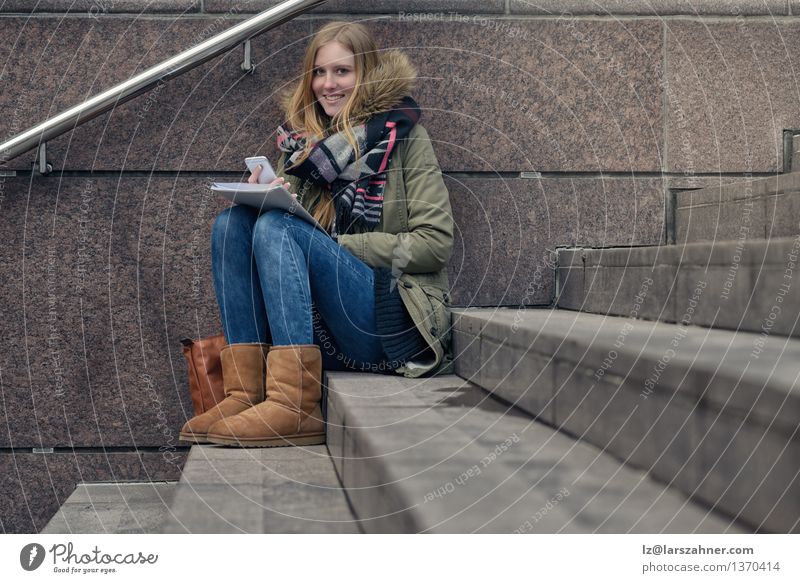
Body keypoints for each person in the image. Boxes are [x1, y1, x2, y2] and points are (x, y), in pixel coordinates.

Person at [179, 21, 454, 448]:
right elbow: (291, 236)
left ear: (366, 75)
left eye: (342, 72)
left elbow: (434, 244)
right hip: (319, 326)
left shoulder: (405, 138)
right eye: (319, 72)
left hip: (385, 320)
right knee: (232, 223)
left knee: (278, 225)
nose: (328, 84)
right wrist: (265, 194)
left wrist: (331, 244)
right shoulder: (302, 148)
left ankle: (296, 405)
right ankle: (245, 393)